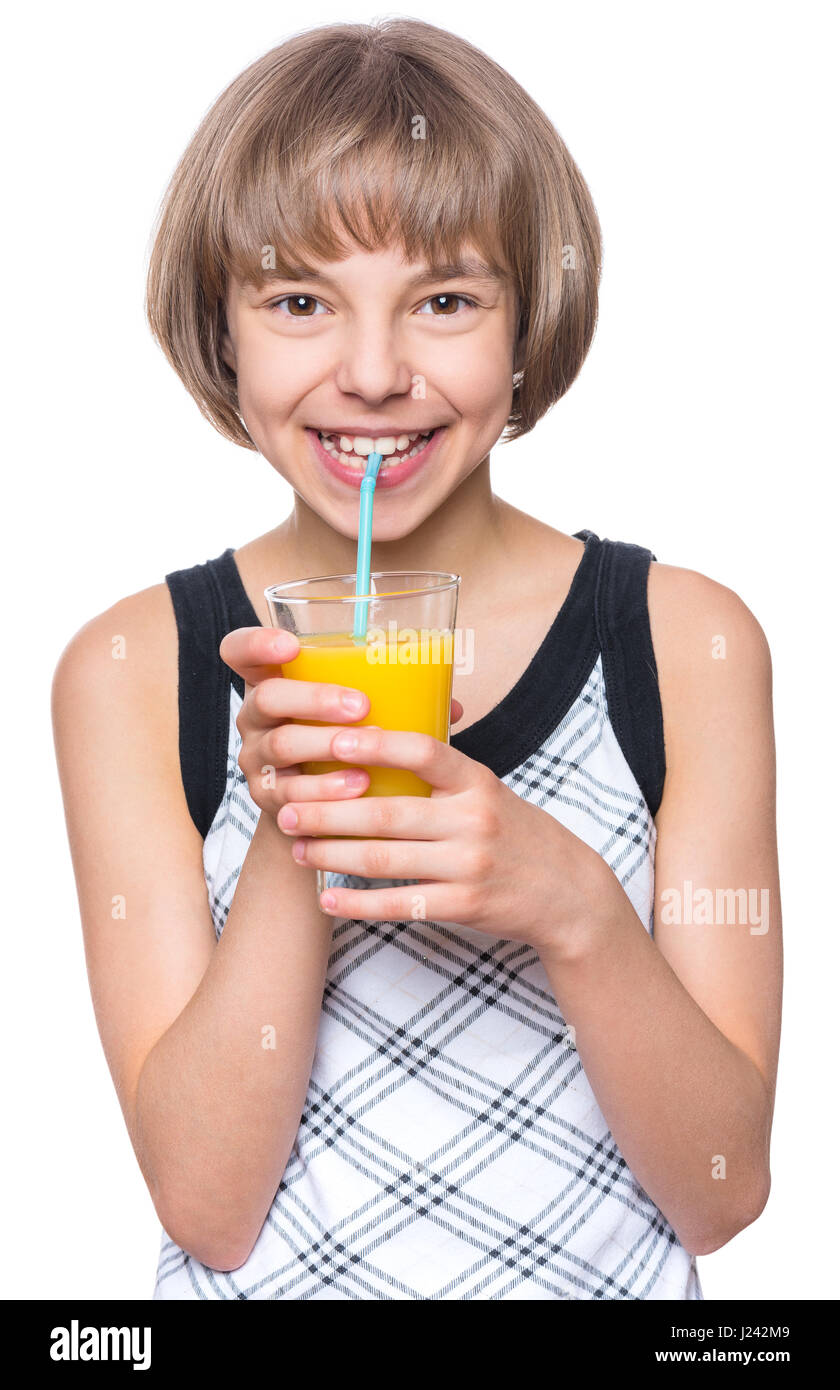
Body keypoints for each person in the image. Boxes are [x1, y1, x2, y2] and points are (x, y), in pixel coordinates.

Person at [52, 18, 781, 1301]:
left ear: (526, 319)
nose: (376, 374)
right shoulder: (131, 668)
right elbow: (209, 1209)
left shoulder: (680, 643)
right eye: (298, 301)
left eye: (445, 300)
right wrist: (298, 821)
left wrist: (571, 903)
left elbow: (722, 1191)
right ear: (222, 329)